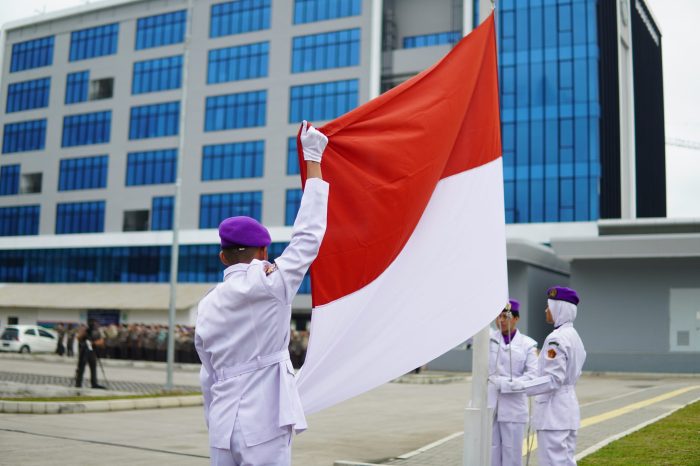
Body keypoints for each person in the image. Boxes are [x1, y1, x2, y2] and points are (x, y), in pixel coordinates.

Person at [195, 120, 329, 466]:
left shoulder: (207, 306)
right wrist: (313, 158)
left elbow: (207, 376)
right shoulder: (272, 283)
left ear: (223, 257)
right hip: (264, 421)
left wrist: (215, 421)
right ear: (263, 252)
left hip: (222, 425)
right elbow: (308, 235)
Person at [501, 286, 586, 466]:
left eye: (549, 306)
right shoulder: (574, 336)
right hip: (567, 409)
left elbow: (554, 380)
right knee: (566, 461)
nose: (546, 310)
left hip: (554, 413)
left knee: (552, 462)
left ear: (559, 309)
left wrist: (520, 387)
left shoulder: (556, 339)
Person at [488, 299, 538, 466]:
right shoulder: (488, 340)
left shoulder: (528, 344)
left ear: (516, 318)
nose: (501, 320)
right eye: (498, 316)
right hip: (491, 405)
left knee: (512, 453)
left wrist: (507, 384)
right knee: (491, 451)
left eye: (505, 316)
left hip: (514, 407)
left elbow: (533, 376)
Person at [74, 320, 106, 389]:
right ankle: (78, 383)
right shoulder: (85, 331)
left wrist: (93, 343)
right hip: (84, 351)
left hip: (92, 351)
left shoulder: (97, 332)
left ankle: (94, 383)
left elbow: (101, 342)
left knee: (93, 368)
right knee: (81, 368)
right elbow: (78, 338)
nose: (94, 325)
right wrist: (84, 333)